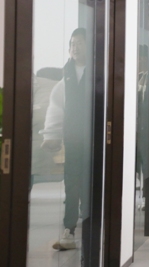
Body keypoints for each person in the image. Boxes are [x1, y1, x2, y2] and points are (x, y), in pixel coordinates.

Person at [41, 28, 91, 257]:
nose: (75, 47)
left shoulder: (98, 72)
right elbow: (56, 107)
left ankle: (91, 229)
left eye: (79, 42)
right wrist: (51, 134)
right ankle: (69, 231)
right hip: (73, 140)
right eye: (72, 43)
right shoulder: (66, 75)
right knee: (71, 184)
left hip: (94, 141)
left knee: (90, 184)